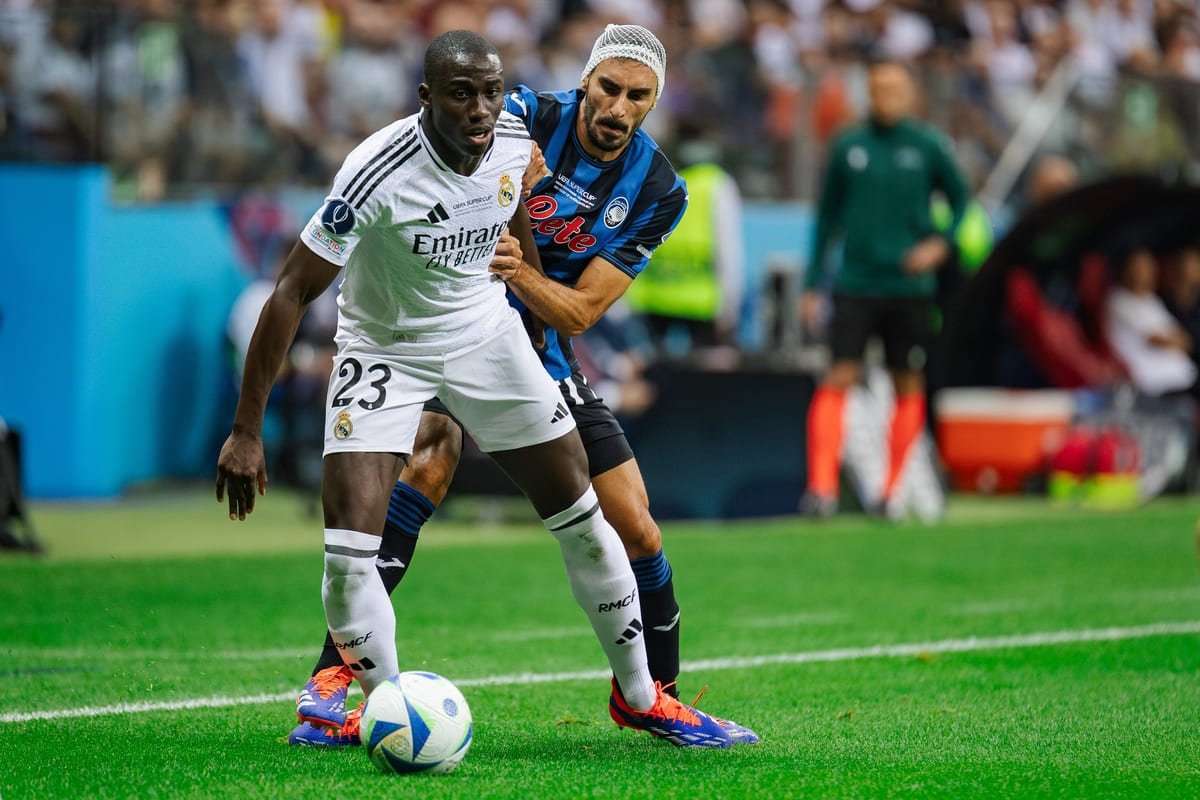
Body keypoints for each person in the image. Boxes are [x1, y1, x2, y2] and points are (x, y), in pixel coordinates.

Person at [216, 30, 733, 751]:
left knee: (615, 520)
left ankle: (649, 696)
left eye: (637, 95)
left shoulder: (649, 185)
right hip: (388, 348)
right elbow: (292, 291)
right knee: (374, 520)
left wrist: (519, 267)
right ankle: (358, 693)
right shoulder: (411, 156)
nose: (617, 106)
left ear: (653, 104)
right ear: (585, 84)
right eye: (607, 88)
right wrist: (246, 431)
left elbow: (578, 306)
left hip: (505, 335)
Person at [799, 57, 969, 519]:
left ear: (911, 94)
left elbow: (961, 203)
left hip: (910, 287)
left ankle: (891, 492)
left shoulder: (928, 146)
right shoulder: (848, 145)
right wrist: (813, 283)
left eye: (894, 89)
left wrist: (940, 244)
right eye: (877, 89)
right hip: (856, 282)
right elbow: (827, 218)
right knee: (839, 376)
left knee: (907, 381)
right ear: (866, 93)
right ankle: (821, 489)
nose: (885, 97)